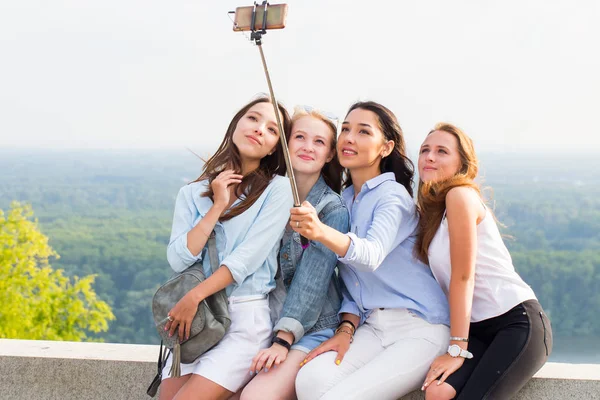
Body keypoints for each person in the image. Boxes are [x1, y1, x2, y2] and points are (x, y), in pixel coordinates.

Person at [292, 101, 450, 400]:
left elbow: (370, 256)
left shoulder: (393, 197)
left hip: (420, 328)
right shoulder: (348, 198)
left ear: (385, 148)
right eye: (346, 130)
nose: (349, 138)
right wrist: (345, 329)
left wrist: (320, 230)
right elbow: (353, 283)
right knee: (310, 381)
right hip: (373, 327)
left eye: (364, 131)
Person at [159, 96, 294, 400]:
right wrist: (217, 206)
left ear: (275, 147)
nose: (259, 129)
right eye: (253, 118)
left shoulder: (277, 190)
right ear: (236, 124)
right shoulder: (193, 193)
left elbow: (246, 260)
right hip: (195, 322)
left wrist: (193, 296)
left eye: (272, 130)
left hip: (243, 319)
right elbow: (179, 259)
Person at [417, 123, 553, 400]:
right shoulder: (435, 215)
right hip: (478, 330)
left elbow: (463, 277)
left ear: (461, 165)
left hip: (516, 323)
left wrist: (456, 349)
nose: (430, 157)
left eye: (442, 151)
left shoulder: (460, 196)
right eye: (425, 150)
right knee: (437, 391)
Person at [240, 106, 349, 400]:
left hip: (309, 327)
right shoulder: (265, 194)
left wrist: (283, 340)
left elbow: (312, 283)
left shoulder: (332, 209)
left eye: (319, 142)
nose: (307, 147)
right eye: (299, 137)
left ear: (329, 154)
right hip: (261, 320)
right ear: (285, 143)